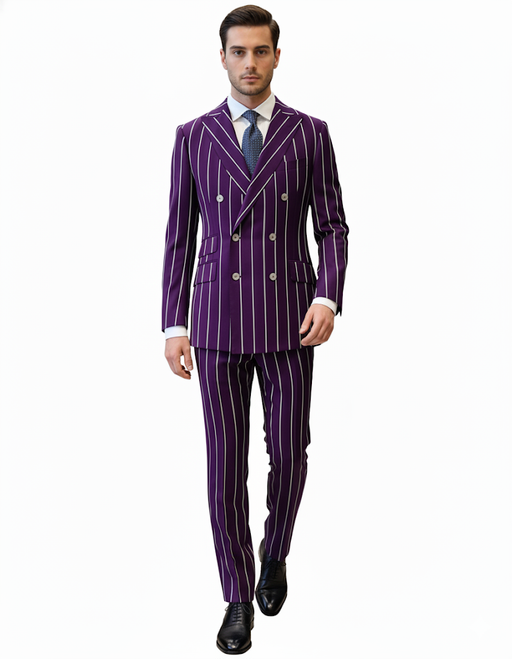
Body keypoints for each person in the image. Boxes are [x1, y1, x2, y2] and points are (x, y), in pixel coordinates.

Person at [161, 5, 348, 654]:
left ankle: (275, 550)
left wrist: (328, 295)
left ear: (276, 56)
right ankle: (236, 593)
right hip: (215, 321)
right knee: (224, 464)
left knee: (290, 451)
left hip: (290, 318)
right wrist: (174, 322)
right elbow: (179, 236)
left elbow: (332, 225)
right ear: (222, 57)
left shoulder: (310, 133)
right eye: (238, 52)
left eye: (260, 51)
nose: (249, 63)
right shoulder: (193, 136)